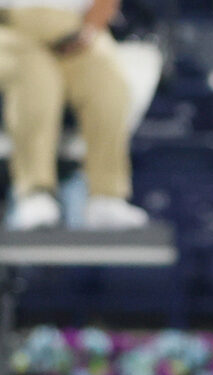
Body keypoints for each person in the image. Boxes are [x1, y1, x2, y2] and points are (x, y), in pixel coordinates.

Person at [0, 0, 150, 230]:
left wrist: (90, 28)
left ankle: (106, 197)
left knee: (108, 84)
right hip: (9, 27)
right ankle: (34, 193)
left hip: (74, 26)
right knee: (36, 80)